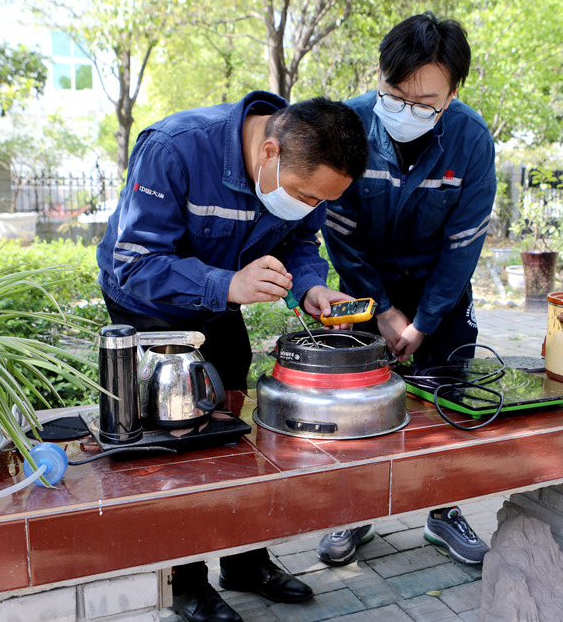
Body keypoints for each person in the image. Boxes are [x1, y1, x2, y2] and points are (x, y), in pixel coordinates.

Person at [97, 92, 369, 622]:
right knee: (175, 437)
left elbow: (301, 242)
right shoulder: (175, 148)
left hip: (223, 299)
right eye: (304, 195)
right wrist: (226, 284)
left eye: (321, 201)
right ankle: (185, 581)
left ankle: (245, 561)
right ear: (269, 152)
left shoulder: (306, 162)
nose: (310, 206)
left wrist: (310, 288)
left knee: (234, 428)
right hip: (149, 301)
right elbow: (134, 262)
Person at [316, 13, 497, 567]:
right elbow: (340, 234)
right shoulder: (348, 126)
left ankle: (444, 509)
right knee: (360, 403)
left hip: (440, 290)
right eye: (396, 95)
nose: (407, 110)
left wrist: (424, 321)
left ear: (452, 94)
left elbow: (462, 245)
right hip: (366, 284)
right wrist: (383, 309)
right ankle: (355, 508)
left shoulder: (470, 140)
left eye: (425, 102)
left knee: (448, 398)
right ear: (380, 76)